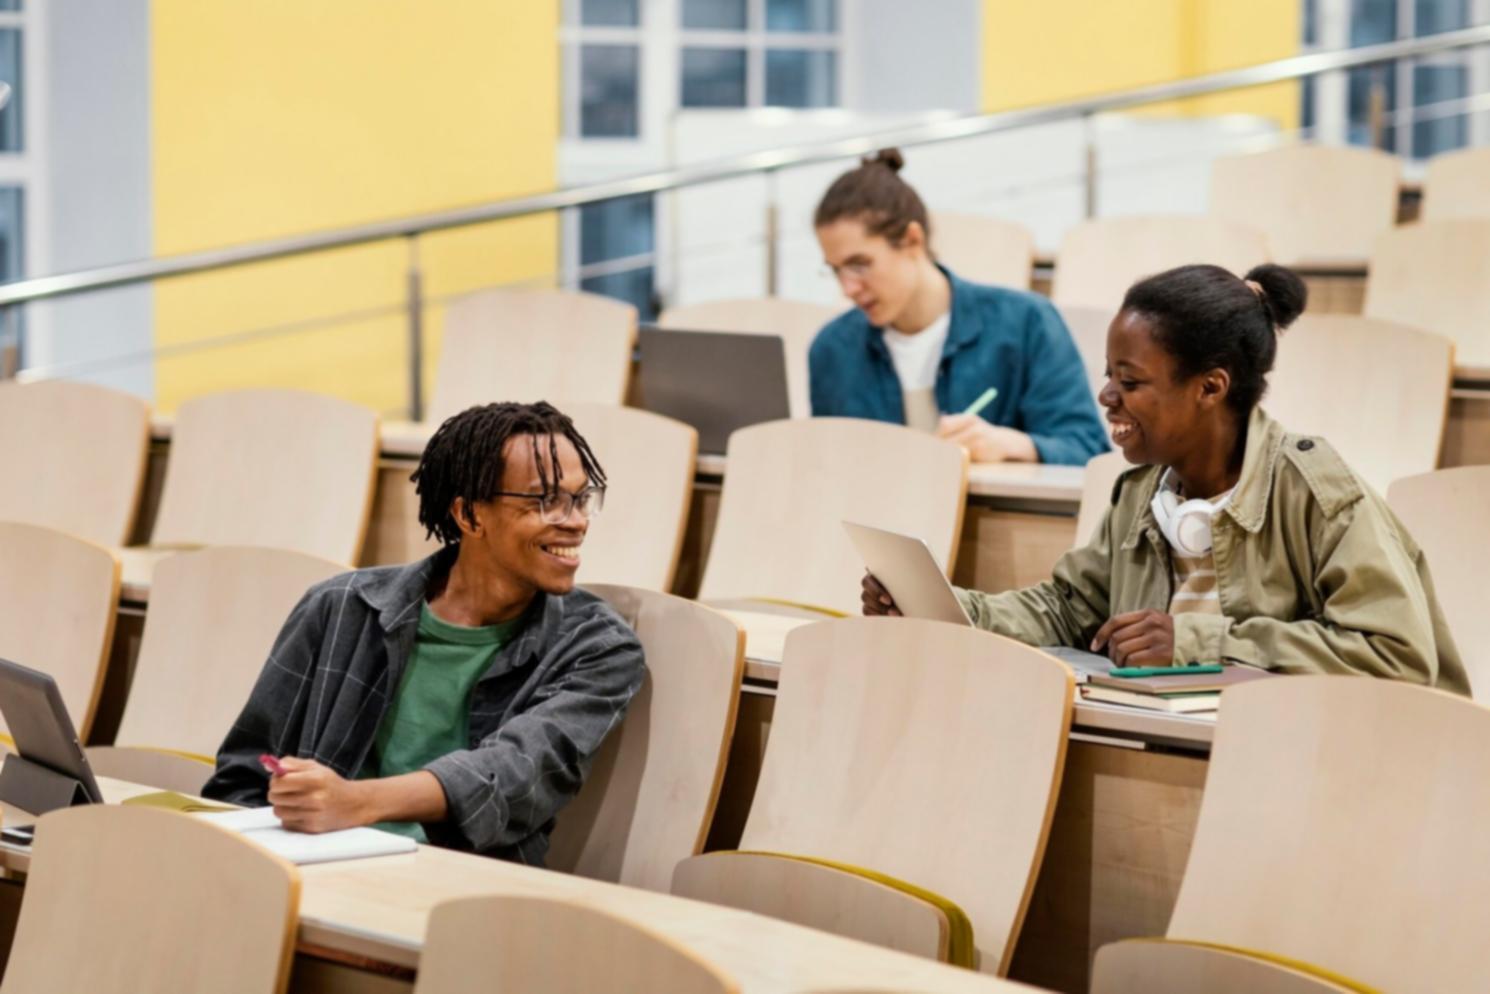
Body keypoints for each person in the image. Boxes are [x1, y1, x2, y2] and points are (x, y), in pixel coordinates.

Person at [862, 263, 1470, 694]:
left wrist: (1197, 641)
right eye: (1109, 375)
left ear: (1210, 387)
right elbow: (1068, 608)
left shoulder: (1316, 492)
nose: (1105, 396)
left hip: (1335, 764)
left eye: (1131, 381)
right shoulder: (1142, 491)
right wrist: (946, 609)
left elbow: (1395, 656)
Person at [203, 401, 648, 863]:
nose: (576, 521)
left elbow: (517, 773)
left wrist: (354, 803)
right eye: (546, 501)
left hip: (465, 888)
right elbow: (242, 778)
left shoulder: (597, 649)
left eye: (580, 499)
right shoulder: (339, 607)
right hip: (309, 870)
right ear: (470, 515)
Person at [808, 148, 1108, 467]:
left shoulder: (1026, 322)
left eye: (859, 265)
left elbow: (1088, 451)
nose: (847, 288)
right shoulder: (831, 350)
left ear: (912, 239)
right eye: (836, 269)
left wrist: (1016, 444)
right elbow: (828, 470)